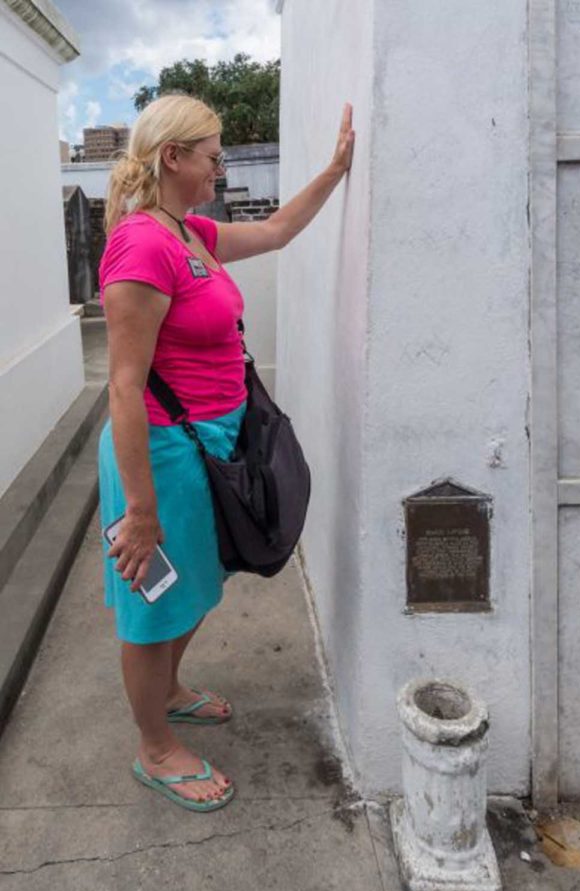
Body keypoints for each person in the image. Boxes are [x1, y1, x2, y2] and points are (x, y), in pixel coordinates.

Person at [98, 93, 355, 812]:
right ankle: (154, 748)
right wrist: (141, 511)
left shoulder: (190, 233)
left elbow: (275, 230)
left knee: (196, 587)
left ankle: (171, 693)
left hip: (208, 446)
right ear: (173, 157)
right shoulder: (143, 245)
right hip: (159, 453)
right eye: (213, 154)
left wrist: (335, 171)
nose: (221, 165)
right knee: (153, 607)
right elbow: (122, 388)